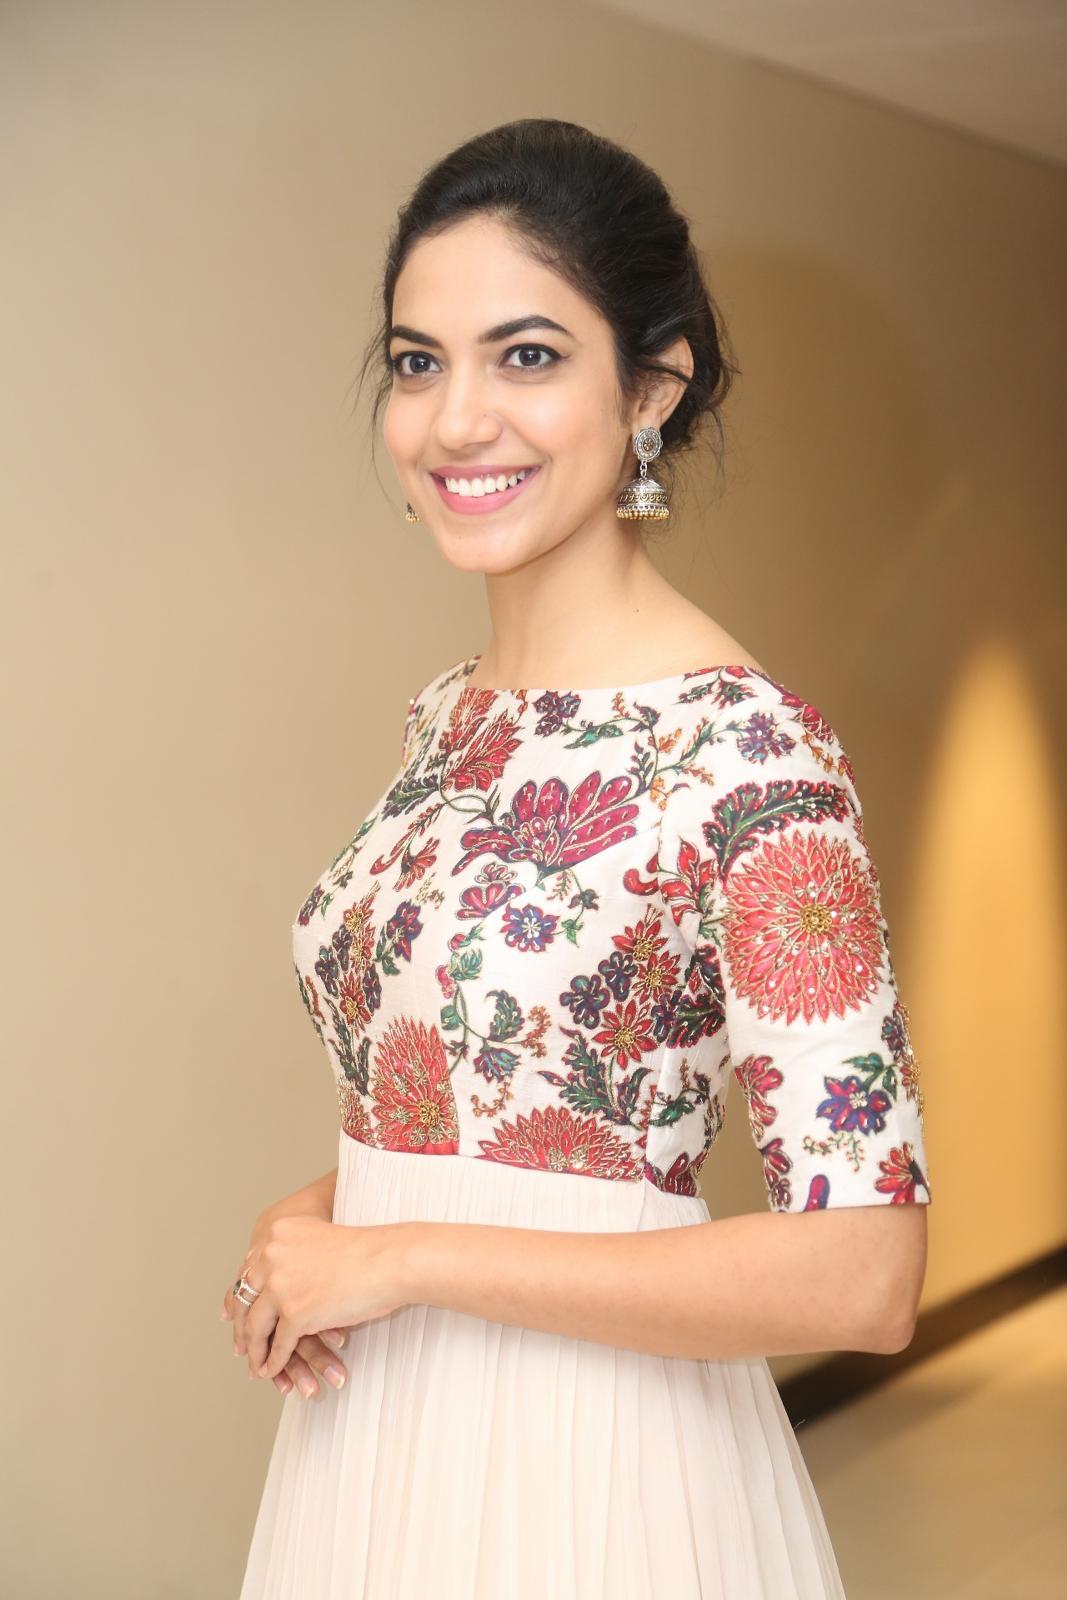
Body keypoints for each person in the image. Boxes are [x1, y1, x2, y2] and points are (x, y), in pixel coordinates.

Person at [224, 117, 931, 1598]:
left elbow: (861, 1273)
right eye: (419, 361)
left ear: (652, 387)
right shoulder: (450, 716)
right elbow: (525, 1120)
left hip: (600, 1468)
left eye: (528, 356)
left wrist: (402, 1259)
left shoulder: (752, 757)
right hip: (382, 1443)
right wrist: (328, 1213)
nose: (455, 420)